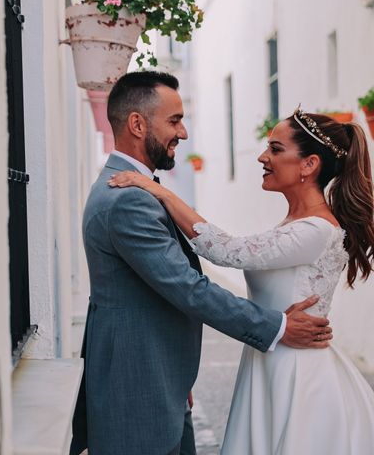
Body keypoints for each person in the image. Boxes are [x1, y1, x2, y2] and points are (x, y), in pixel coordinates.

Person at [69, 71, 333, 455]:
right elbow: (189, 289)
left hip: (159, 379)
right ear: (138, 124)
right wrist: (276, 327)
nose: (184, 133)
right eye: (174, 121)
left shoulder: (134, 189)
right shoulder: (128, 198)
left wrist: (176, 374)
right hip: (138, 389)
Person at [109, 105, 374, 453]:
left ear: (309, 165)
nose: (263, 157)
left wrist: (161, 191)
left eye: (276, 149)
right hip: (271, 359)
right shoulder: (299, 225)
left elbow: (227, 251)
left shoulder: (315, 230)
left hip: (295, 374)